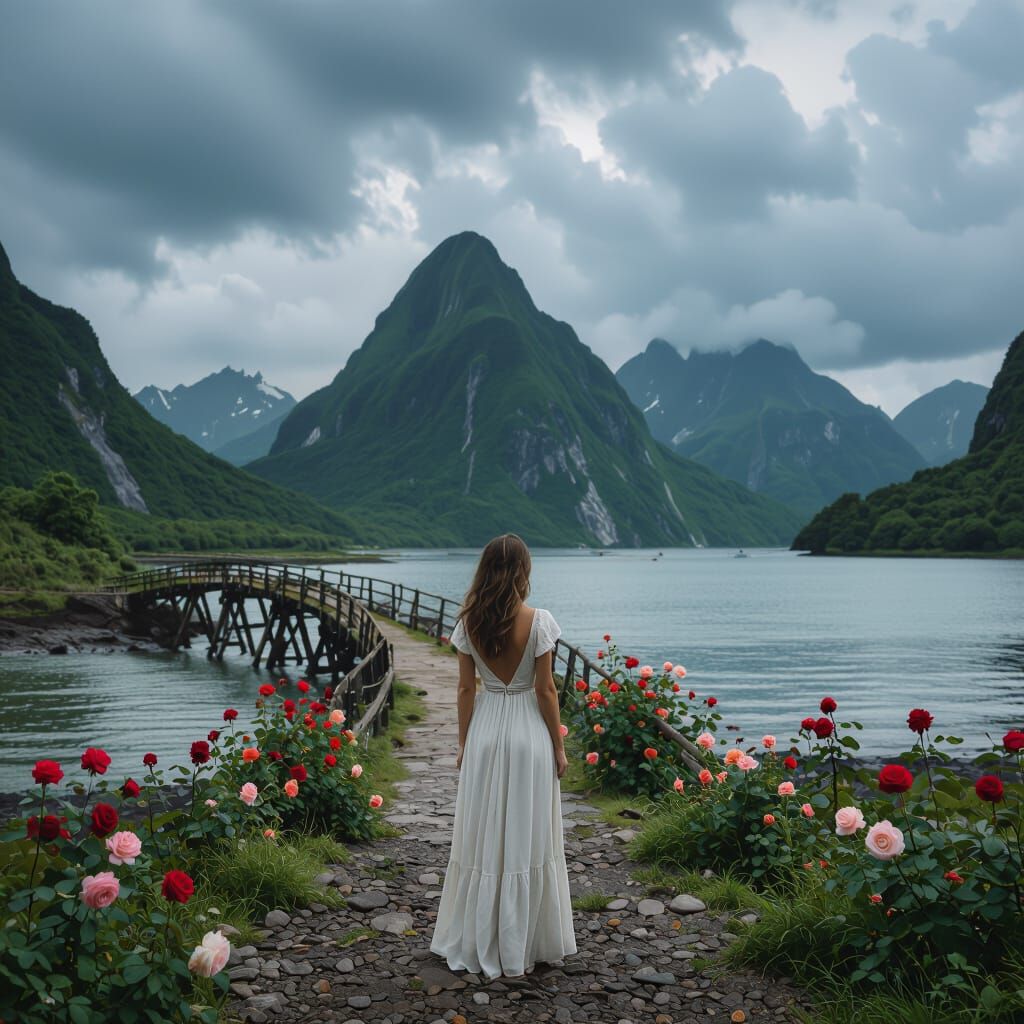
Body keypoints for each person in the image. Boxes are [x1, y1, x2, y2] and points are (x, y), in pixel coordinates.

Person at [428, 533, 577, 980]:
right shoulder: (540, 621)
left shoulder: (468, 623)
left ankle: (477, 933)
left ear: (485, 570)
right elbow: (546, 690)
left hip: (486, 731)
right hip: (528, 733)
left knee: (482, 833)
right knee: (528, 835)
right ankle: (527, 939)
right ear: (524, 571)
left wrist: (463, 742)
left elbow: (465, 690)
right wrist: (558, 744)